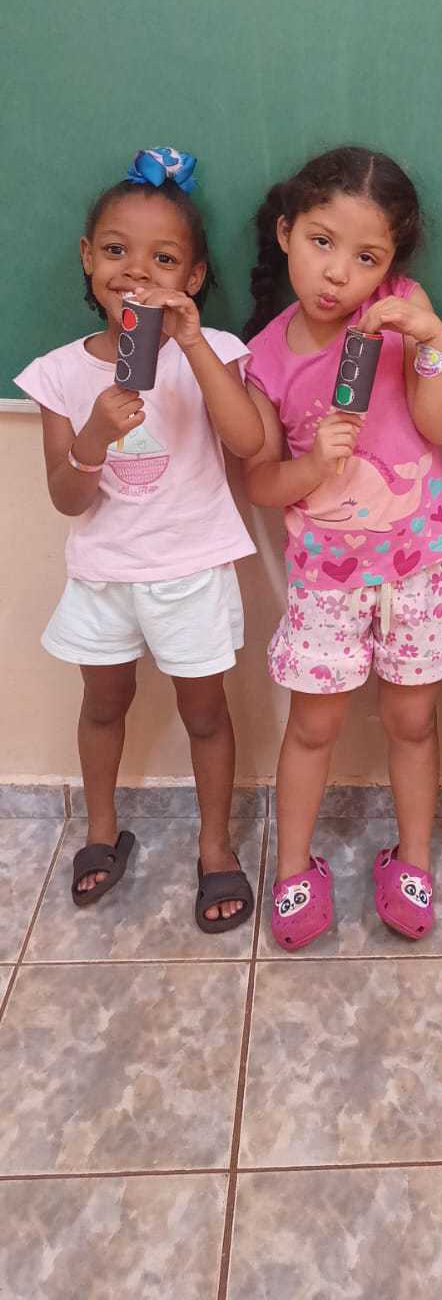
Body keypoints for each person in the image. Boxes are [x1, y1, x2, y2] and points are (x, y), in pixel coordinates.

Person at [16, 149, 264, 931]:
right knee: (103, 703)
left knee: (205, 713)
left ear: (193, 277)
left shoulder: (213, 351)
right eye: (116, 249)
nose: (136, 270)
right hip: (103, 573)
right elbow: (66, 497)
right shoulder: (59, 373)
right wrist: (92, 435)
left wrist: (190, 343)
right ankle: (101, 829)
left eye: (163, 258)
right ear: (87, 257)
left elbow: (249, 440)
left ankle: (215, 846)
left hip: (191, 570)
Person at [243, 146, 442, 950]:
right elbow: (261, 481)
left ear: (391, 264)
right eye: (321, 242)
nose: (339, 273)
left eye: (367, 257)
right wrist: (313, 465)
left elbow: (439, 425)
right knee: (314, 725)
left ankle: (411, 860)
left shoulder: (401, 309)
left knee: (411, 717)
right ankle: (293, 867)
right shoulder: (264, 357)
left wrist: (431, 338)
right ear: (285, 232)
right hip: (326, 575)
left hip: (416, 559)